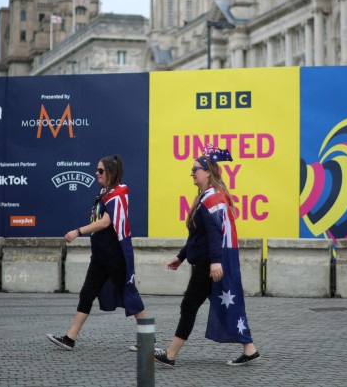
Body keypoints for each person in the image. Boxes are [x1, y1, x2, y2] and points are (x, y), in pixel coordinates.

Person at [154, 145, 260, 367]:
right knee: (227, 305)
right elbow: (198, 236)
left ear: (208, 172)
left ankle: (171, 354)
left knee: (188, 305)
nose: (192, 173)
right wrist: (181, 257)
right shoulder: (206, 197)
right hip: (206, 261)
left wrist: (214, 262)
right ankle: (249, 349)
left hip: (207, 264)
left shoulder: (212, 199)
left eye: (195, 169)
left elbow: (214, 234)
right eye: (192, 170)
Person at [47, 154, 147, 351]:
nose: (96, 173)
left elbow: (105, 222)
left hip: (114, 256)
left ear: (110, 172)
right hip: (101, 256)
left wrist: (78, 231)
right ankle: (70, 338)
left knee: (131, 297)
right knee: (87, 294)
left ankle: (148, 340)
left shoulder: (118, 193)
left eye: (100, 170)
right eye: (97, 170)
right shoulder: (104, 193)